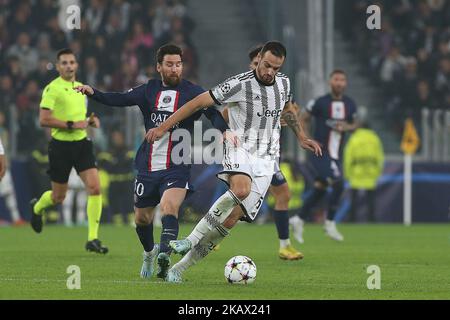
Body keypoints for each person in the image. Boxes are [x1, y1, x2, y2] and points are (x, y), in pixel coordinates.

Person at [146, 41, 322, 283]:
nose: (270, 72)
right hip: (240, 148)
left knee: (230, 220)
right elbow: (198, 102)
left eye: (276, 68)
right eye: (267, 65)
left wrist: (302, 136)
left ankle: (180, 269)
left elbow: (288, 111)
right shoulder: (239, 84)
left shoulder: (284, 83)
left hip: (267, 159)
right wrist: (164, 126)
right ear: (259, 58)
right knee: (240, 189)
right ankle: (190, 240)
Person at [74, 44, 230, 280]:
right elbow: (119, 99)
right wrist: (92, 92)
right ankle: (149, 253)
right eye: (169, 64)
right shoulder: (148, 90)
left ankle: (164, 259)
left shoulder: (192, 91)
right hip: (148, 165)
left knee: (169, 208)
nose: (175, 69)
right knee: (142, 219)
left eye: (178, 64)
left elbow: (213, 113)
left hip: (177, 165)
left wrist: (224, 131)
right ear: (159, 67)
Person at [221, 45, 303, 260]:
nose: (266, 70)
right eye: (257, 64)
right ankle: (212, 233)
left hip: (269, 154)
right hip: (245, 152)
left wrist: (287, 119)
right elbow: (224, 112)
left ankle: (285, 245)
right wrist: (228, 132)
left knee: (283, 194)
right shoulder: (244, 89)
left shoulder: (278, 86)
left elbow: (290, 110)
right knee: (240, 200)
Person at [30, 48, 108, 254]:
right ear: (57, 67)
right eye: (64, 63)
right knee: (58, 197)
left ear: (76, 65)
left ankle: (93, 238)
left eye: (71, 62)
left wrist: (91, 121)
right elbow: (44, 120)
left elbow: (81, 118)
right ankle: (37, 208)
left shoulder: (80, 88)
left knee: (95, 188)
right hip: (61, 147)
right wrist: (73, 124)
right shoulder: (52, 89)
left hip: (82, 144)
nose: (68, 66)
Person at [289, 69, 358, 243]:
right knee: (339, 183)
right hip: (320, 152)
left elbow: (354, 124)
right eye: (336, 79)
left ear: (346, 83)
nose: (339, 83)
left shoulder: (350, 104)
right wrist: (305, 138)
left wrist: (346, 127)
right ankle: (330, 222)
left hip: (336, 154)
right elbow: (303, 118)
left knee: (320, 187)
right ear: (330, 82)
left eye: (342, 80)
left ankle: (298, 219)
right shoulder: (320, 102)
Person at [343, 122, 384, 222]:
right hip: (370, 171)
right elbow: (380, 156)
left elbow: (348, 156)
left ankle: (352, 219)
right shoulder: (375, 139)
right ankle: (371, 219)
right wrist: (378, 171)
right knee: (371, 198)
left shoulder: (354, 138)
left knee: (354, 198)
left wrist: (347, 173)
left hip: (356, 171)